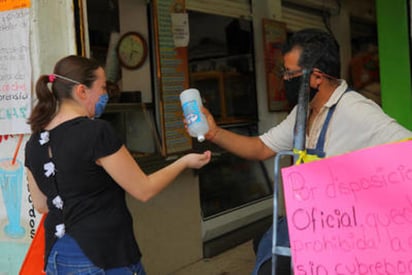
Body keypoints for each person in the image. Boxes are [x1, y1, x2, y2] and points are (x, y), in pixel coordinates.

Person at [196, 28, 412, 274]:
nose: (284, 79)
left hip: (342, 234)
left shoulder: (355, 110)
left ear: (317, 77)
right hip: (310, 227)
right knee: (265, 247)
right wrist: (214, 133)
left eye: (289, 74)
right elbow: (260, 147)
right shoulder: (303, 111)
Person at [24, 55, 211, 275]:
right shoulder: (96, 132)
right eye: (102, 88)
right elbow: (144, 189)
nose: (106, 95)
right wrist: (184, 161)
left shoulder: (34, 142)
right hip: (102, 254)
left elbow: (42, 205)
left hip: (57, 255)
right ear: (82, 91)